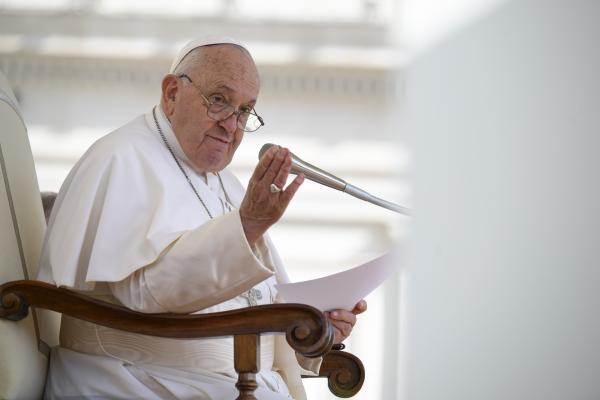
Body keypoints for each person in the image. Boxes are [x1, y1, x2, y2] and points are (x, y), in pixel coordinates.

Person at [37, 36, 367, 400]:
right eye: (219, 100)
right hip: (137, 380)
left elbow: (256, 301)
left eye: (245, 111)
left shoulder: (225, 181)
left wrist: (315, 327)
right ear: (172, 93)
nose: (232, 124)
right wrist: (247, 226)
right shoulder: (120, 158)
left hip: (225, 382)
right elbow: (144, 293)